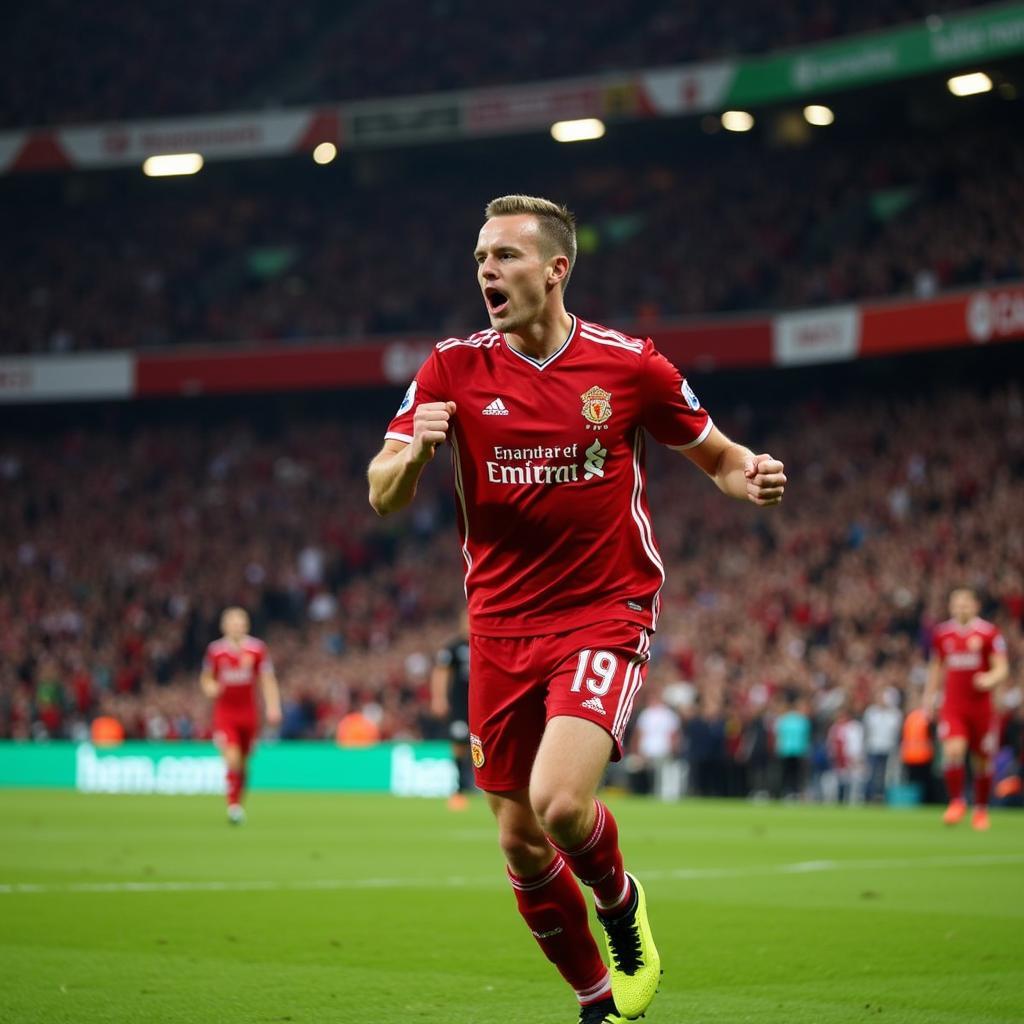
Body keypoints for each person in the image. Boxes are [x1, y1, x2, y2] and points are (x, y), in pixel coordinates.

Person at [367, 194, 786, 1024]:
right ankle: (597, 998)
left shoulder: (630, 365)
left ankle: (621, 904)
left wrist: (753, 476)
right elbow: (381, 494)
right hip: (497, 628)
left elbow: (717, 455)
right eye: (482, 257)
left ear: (556, 269)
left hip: (604, 610)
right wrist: (413, 454)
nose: (488, 270)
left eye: (507, 257)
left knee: (561, 805)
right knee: (520, 840)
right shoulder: (450, 368)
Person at [923, 587, 1009, 830]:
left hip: (981, 707)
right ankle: (957, 802)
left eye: (965, 604)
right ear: (951, 606)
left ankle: (981, 809)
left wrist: (990, 679)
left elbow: (1002, 668)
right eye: (956, 604)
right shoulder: (942, 634)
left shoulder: (989, 633)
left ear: (975, 606)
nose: (961, 608)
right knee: (953, 750)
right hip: (953, 705)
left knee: (981, 761)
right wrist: (929, 698)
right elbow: (936, 668)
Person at [200, 607, 281, 824]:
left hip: (249, 713)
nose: (237, 626)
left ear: (246, 625)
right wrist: (210, 688)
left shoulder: (256, 649)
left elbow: (267, 680)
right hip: (225, 714)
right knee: (233, 757)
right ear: (224, 626)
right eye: (233, 623)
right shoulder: (215, 651)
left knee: (244, 763)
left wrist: (273, 706)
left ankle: (238, 802)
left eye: (241, 623)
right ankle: (233, 806)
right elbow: (206, 678)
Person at [431, 612, 474, 810]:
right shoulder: (454, 648)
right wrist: (439, 698)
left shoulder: (485, 644)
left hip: (482, 704)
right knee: (459, 742)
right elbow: (441, 672)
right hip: (459, 704)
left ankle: (484, 785)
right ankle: (459, 788)